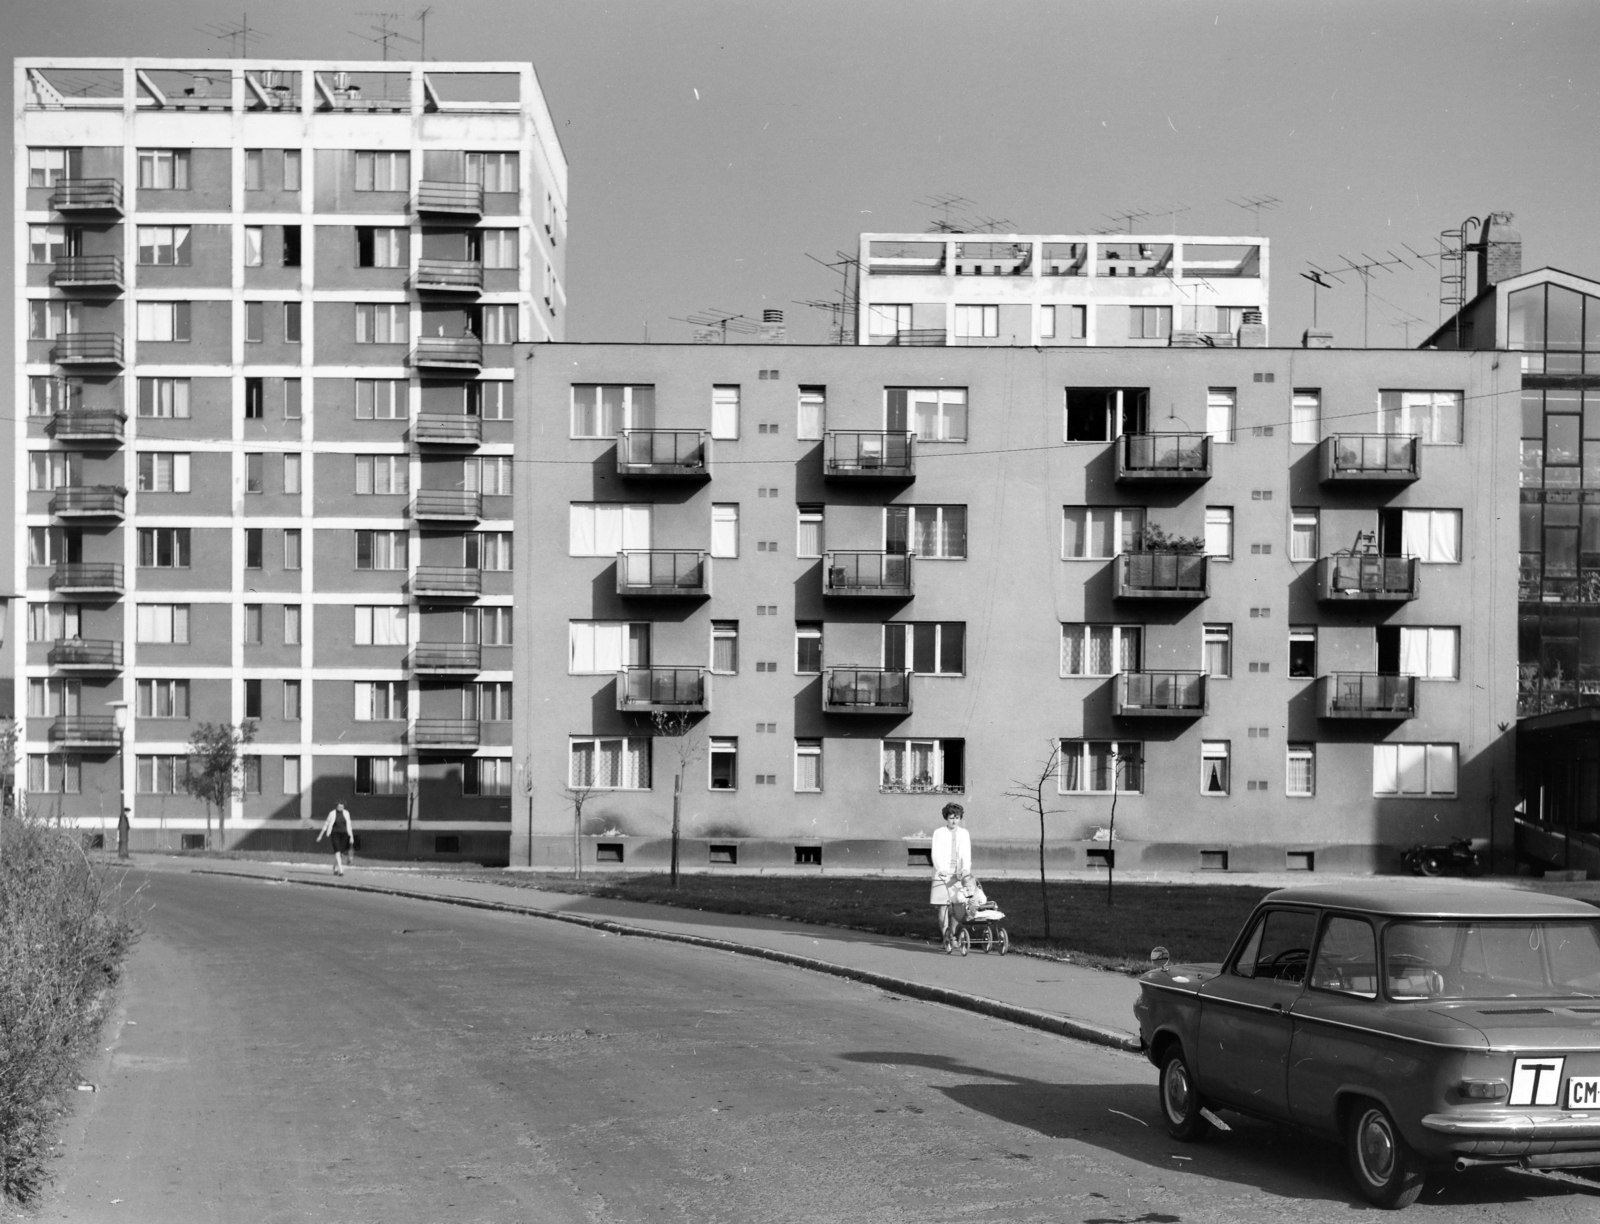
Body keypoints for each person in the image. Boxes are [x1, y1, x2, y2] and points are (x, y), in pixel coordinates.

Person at [930, 801, 973, 953]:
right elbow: (935, 853)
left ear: (960, 818)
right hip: (943, 875)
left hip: (958, 875)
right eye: (951, 818)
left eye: (957, 818)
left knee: (957, 906)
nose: (954, 821)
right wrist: (941, 869)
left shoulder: (964, 833)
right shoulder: (939, 833)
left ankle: (953, 934)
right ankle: (945, 936)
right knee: (943, 906)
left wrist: (966, 870)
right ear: (946, 818)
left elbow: (966, 854)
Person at [316, 802, 355, 876]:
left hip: (345, 834)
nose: (341, 808)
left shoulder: (346, 813)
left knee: (341, 853)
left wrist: (351, 837)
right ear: (336, 807)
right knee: (337, 851)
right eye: (339, 807)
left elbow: (349, 825)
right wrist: (320, 835)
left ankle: (335, 867)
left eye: (342, 807)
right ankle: (341, 870)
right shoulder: (332, 813)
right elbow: (326, 824)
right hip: (335, 834)